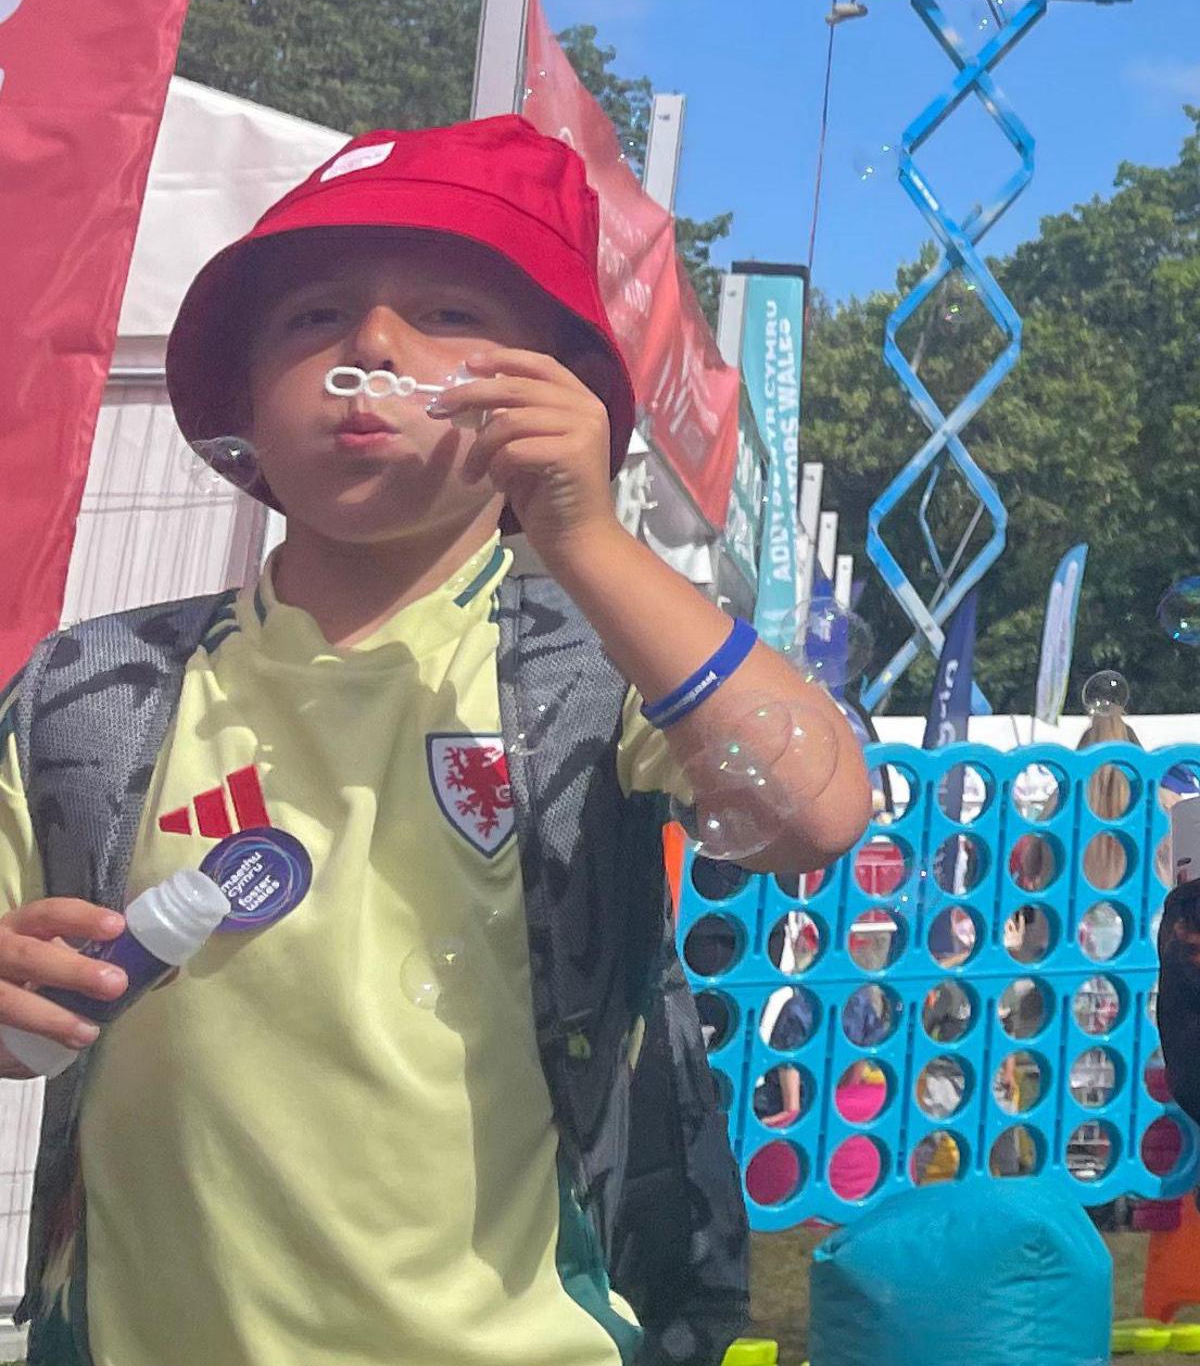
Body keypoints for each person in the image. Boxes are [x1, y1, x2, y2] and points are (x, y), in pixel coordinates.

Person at [0, 116, 867, 1365]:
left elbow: (819, 812)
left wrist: (584, 537)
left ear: (559, 392)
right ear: (241, 398)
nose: (373, 350)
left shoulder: (591, 663)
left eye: (453, 311)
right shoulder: (97, 685)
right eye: (312, 320)